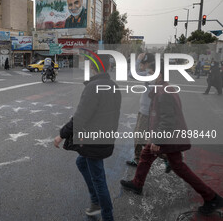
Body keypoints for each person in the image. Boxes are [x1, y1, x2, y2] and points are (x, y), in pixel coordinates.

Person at [120, 61, 223, 216]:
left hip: (167, 137)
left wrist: (157, 140)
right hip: (167, 136)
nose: (148, 75)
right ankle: (137, 184)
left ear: (159, 74)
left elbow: (167, 120)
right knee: (147, 156)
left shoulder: (164, 92)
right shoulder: (162, 88)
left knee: (178, 167)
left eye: (150, 72)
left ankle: (211, 197)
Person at [54, 55, 121, 221]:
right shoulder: (114, 86)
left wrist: (62, 134)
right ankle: (96, 201)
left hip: (93, 142)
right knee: (81, 163)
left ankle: (106, 214)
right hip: (104, 138)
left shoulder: (93, 87)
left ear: (94, 68)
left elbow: (80, 117)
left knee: (98, 178)